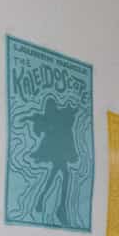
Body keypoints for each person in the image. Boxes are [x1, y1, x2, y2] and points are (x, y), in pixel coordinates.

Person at [29, 95, 81, 225]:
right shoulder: (51, 119)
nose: (50, 111)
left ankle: (43, 202)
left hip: (60, 155)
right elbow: (40, 123)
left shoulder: (58, 117)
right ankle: (56, 207)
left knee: (56, 175)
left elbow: (69, 115)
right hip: (58, 155)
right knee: (62, 175)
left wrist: (73, 109)